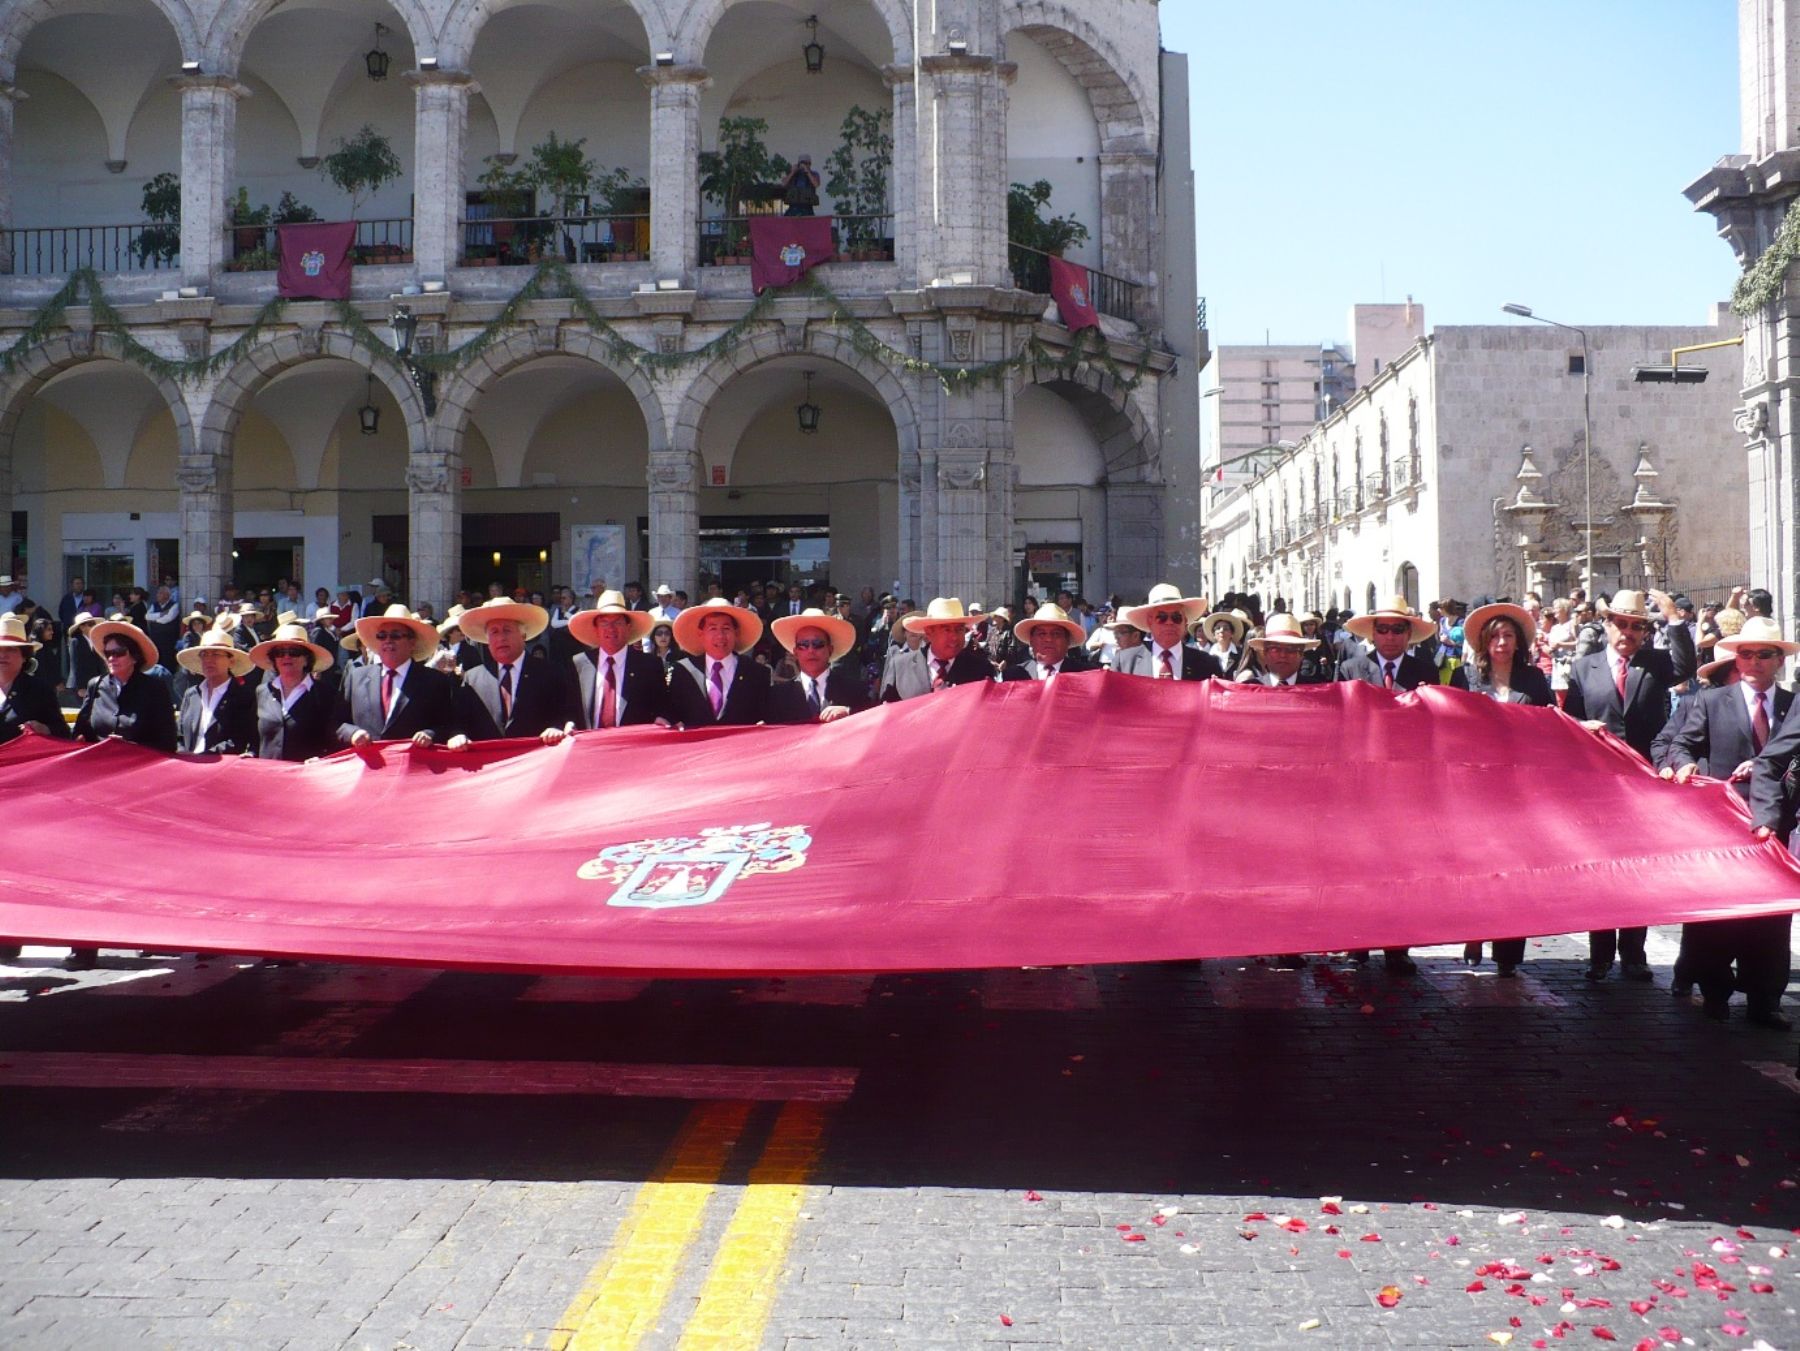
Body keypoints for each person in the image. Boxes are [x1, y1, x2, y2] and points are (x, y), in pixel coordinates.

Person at [1663, 616, 1796, 1027]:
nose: (1753, 662)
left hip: (1776, 823)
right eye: (1746, 654)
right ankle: (1715, 993)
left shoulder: (1793, 704)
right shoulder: (1712, 700)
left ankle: (1764, 1001)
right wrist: (1682, 764)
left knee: (1771, 918)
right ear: (1736, 659)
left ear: (1779, 661)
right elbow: (1682, 744)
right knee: (1721, 915)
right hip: (1722, 822)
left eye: (1764, 654)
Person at [1563, 588, 1695, 982]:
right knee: (1600, 871)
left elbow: (1686, 666)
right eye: (1621, 624)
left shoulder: (1655, 663)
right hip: (1596, 782)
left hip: (1643, 780)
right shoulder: (1584, 667)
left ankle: (1634, 953)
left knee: (1638, 869)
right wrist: (1582, 727)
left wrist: (1673, 618)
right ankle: (1600, 955)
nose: (1628, 633)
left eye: (1636, 627)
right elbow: (1568, 719)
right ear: (1606, 625)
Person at [1448, 602, 1553, 976]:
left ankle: (1509, 949)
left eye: (1509, 635)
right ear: (1484, 641)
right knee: (1477, 865)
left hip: (1520, 788)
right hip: (1475, 787)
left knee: (1515, 868)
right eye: (1495, 635)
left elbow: (1550, 725)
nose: (1502, 642)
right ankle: (1475, 932)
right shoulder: (1464, 678)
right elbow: (1448, 727)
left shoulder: (1534, 680)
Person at [449, 598, 573, 744]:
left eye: (507, 630)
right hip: (491, 764)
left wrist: (556, 727)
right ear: (487, 640)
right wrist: (458, 735)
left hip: (536, 761)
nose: (501, 638)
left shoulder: (550, 673)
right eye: (494, 632)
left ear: (523, 635)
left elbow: (566, 714)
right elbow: (458, 723)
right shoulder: (472, 679)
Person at [334, 604, 459, 749]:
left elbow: (449, 726)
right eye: (382, 635)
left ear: (412, 642)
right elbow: (336, 723)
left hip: (413, 767)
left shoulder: (435, 681)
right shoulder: (356, 677)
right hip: (366, 767)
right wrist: (353, 733)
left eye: (395, 635)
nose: (388, 640)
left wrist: (430, 734)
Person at [567, 590, 669, 731]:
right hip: (589, 748)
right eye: (604, 623)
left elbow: (663, 707)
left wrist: (662, 718)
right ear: (596, 629)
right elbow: (568, 709)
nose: (611, 629)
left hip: (633, 748)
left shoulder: (649, 666)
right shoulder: (579, 664)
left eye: (618, 623)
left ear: (628, 628)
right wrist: (566, 724)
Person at [667, 597, 771, 727]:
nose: (720, 636)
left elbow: (767, 716)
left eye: (726, 628)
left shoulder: (757, 673)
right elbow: (671, 713)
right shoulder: (683, 670)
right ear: (701, 633)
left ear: (736, 632)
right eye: (712, 629)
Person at [247, 620, 338, 762]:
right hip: (266, 778)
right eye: (280, 652)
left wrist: (322, 759)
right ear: (274, 659)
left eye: (294, 652)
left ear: (307, 659)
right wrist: (251, 754)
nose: (286, 657)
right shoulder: (262, 692)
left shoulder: (325, 694)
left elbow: (334, 737)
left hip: (307, 779)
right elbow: (254, 739)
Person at [768, 607, 872, 723]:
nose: (811, 650)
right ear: (795, 652)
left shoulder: (854, 690)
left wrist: (849, 712)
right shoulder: (777, 696)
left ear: (830, 650)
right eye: (803, 645)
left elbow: (873, 722)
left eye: (818, 644)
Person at [881, 598, 990, 700]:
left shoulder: (980, 668)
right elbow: (887, 713)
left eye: (959, 629)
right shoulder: (900, 666)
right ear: (929, 632)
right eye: (947, 630)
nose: (954, 637)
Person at [174, 628, 258, 756]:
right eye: (204, 655)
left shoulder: (243, 696)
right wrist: (182, 753)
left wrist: (202, 757)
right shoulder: (191, 695)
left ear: (231, 661)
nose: (209, 660)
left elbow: (238, 741)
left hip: (221, 770)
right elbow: (180, 735)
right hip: (188, 768)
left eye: (216, 654)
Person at [1114, 584, 1222, 681]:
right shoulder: (1124, 663)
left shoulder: (1208, 664)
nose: (1169, 622)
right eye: (1161, 617)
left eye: (1176, 617)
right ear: (1149, 621)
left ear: (1185, 621)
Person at [1338, 597, 1439, 690]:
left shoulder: (1427, 672)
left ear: (1408, 633)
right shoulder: (1351, 671)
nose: (1390, 637)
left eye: (1398, 629)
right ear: (1373, 633)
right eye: (1382, 629)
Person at [0, 610, 69, 746]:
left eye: (10, 649)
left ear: (24, 656)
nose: (3, 655)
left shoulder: (39, 690)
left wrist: (45, 729)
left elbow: (63, 732)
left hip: (21, 764)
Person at [1000, 602, 1089, 682]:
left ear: (1067, 641)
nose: (1048, 639)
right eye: (1041, 634)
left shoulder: (1087, 675)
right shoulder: (1012, 676)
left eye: (1056, 634)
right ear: (1031, 640)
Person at [1200, 609, 1247, 678]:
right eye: (1218, 628)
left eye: (1226, 628)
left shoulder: (1241, 654)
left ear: (1232, 634)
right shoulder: (1206, 656)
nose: (1221, 631)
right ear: (1214, 634)